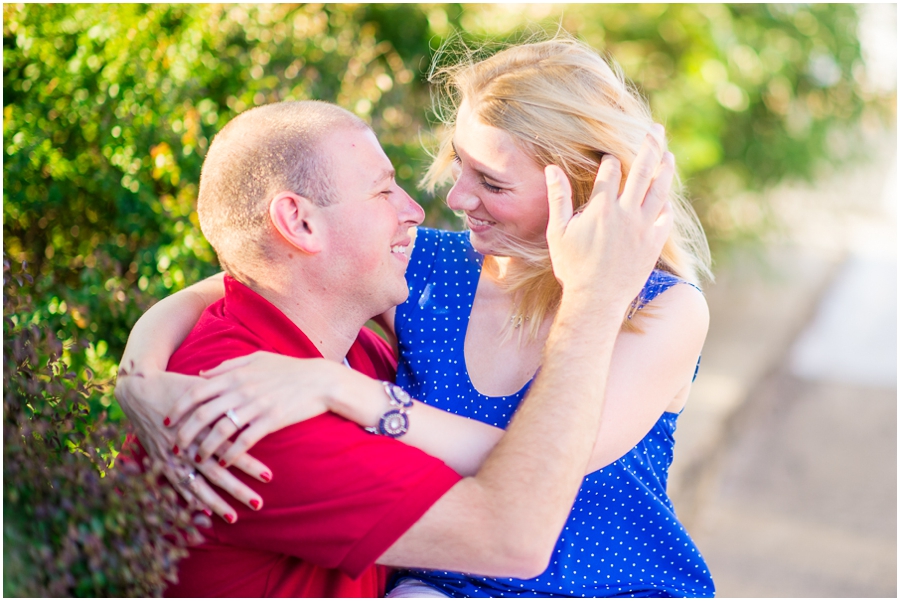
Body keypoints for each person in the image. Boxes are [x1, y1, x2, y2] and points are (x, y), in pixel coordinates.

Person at [115, 94, 675, 597]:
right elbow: (513, 540)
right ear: (299, 223)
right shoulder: (245, 410)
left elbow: (239, 274)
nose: (417, 209)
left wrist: (134, 373)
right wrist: (592, 299)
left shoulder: (346, 345)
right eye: (383, 190)